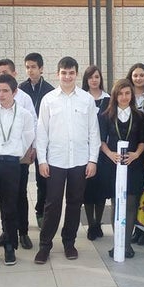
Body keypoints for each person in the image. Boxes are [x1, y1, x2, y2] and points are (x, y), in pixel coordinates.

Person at [34, 57, 100, 264]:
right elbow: (41, 132)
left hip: (79, 161)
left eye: (71, 73)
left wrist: (93, 160)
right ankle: (45, 245)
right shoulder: (49, 99)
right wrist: (42, 160)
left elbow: (93, 132)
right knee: (52, 204)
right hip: (55, 161)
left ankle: (69, 243)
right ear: (57, 74)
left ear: (76, 74)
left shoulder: (86, 99)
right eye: (64, 72)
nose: (67, 76)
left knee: (74, 203)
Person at [0, 74, 35, 267]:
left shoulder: (24, 115)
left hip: (12, 164)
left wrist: (13, 152)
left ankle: (10, 246)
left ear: (14, 92)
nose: (1, 95)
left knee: (10, 208)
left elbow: (27, 138)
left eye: (5, 91)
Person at [99, 79, 144, 259]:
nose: (124, 97)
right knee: (116, 205)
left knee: (131, 205)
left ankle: (126, 244)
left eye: (127, 93)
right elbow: (101, 141)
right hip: (113, 166)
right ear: (115, 96)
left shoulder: (139, 116)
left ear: (132, 95)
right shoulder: (106, 115)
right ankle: (117, 243)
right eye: (120, 94)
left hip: (133, 166)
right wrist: (110, 153)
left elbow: (143, 141)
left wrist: (136, 154)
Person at [0, 59, 37, 250]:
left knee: (20, 194)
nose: (3, 75)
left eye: (6, 72)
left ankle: (24, 232)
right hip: (1, 155)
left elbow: (34, 124)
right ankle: (7, 230)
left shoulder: (25, 98)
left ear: (15, 74)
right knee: (4, 195)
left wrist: (33, 148)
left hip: (20, 155)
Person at [19, 52, 55, 229]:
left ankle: (40, 211)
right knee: (21, 181)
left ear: (41, 69)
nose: (30, 70)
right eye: (27, 67)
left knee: (43, 180)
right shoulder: (20, 90)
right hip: (24, 144)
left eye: (33, 67)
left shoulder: (50, 91)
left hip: (44, 142)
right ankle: (21, 220)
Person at [125, 62, 144, 246]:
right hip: (131, 149)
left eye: (141, 75)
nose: (138, 78)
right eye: (135, 75)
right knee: (134, 192)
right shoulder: (125, 95)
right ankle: (135, 227)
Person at [82, 65, 110, 240]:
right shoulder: (81, 98)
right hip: (84, 151)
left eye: (97, 77)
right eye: (91, 77)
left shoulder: (108, 99)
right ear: (86, 79)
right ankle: (91, 223)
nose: (94, 80)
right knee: (87, 190)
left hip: (103, 152)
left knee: (100, 190)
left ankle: (98, 223)